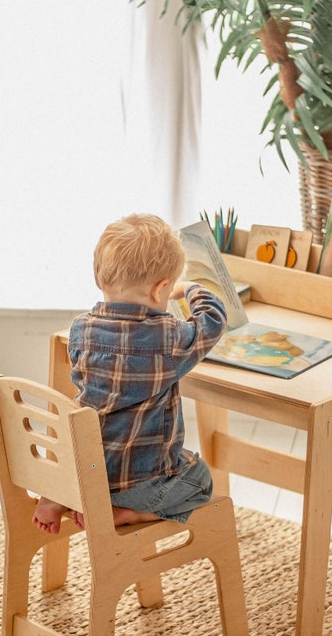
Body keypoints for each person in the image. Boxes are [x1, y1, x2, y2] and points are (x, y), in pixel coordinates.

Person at [33, 213, 227, 533]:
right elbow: (213, 320)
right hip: (138, 484)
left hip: (83, 473)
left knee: (105, 433)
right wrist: (191, 288)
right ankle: (132, 513)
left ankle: (58, 496)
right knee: (201, 478)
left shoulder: (81, 329)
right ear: (161, 288)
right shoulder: (168, 338)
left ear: (99, 277)